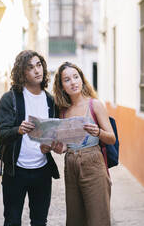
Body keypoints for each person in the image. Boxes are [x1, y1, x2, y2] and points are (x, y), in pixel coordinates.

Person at [0, 50, 59, 226]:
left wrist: (52, 145)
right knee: (12, 221)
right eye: (30, 67)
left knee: (39, 221)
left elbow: (54, 135)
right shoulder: (10, 99)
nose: (37, 70)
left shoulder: (50, 101)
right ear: (22, 72)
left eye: (39, 65)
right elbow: (1, 134)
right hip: (15, 172)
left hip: (42, 171)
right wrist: (18, 129)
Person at [52, 62, 116, 226]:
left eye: (76, 77)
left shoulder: (94, 104)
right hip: (71, 165)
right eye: (67, 80)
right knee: (75, 220)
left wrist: (98, 132)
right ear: (61, 86)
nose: (73, 82)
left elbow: (111, 138)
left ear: (82, 79)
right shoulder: (63, 111)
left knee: (98, 219)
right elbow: (67, 145)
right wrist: (60, 148)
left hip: (93, 162)